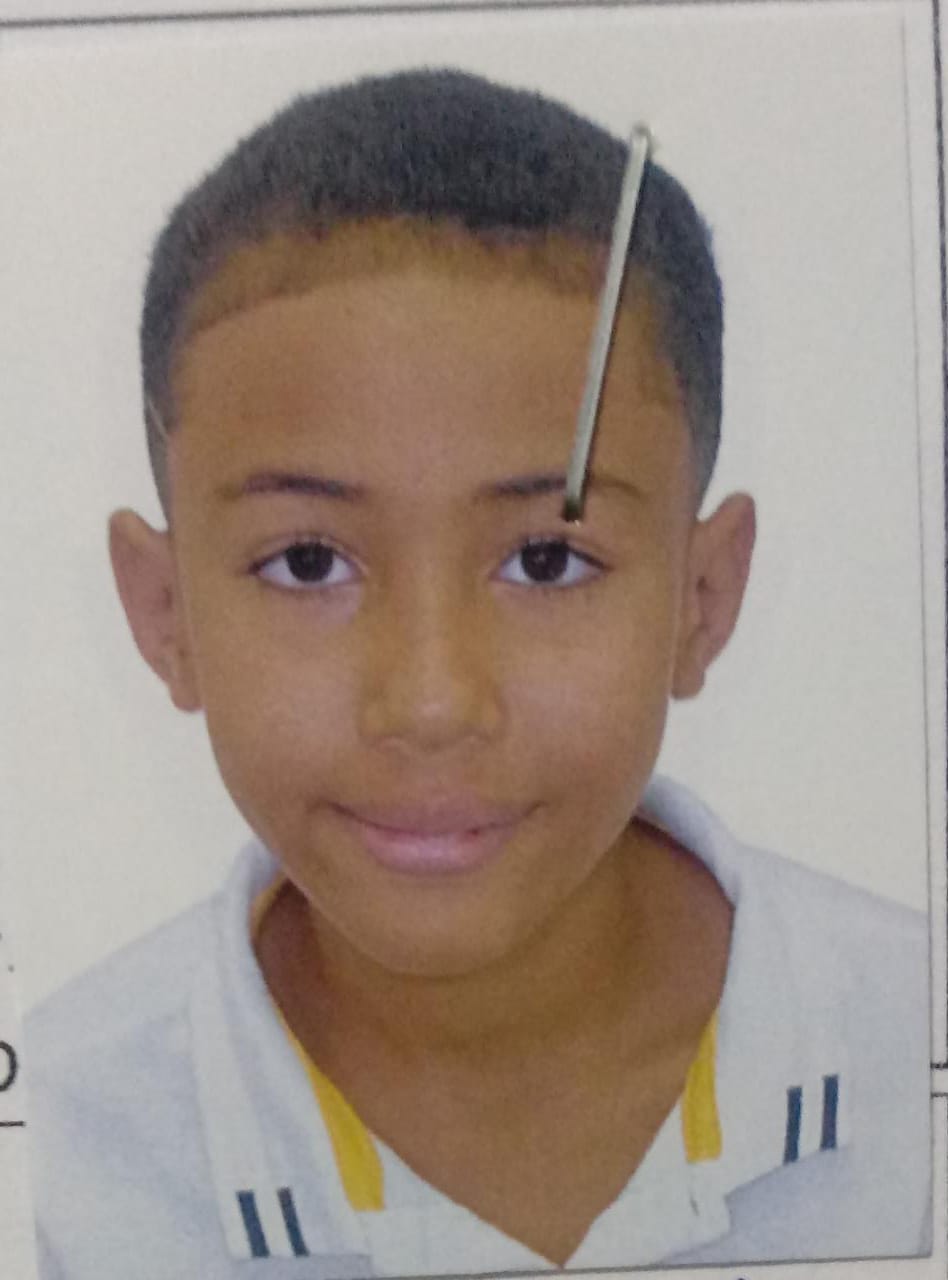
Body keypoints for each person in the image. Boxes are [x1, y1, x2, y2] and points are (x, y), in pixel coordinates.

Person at [26, 68, 930, 1278]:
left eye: (546, 561)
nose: (432, 701)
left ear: (702, 599)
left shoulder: (914, 1045)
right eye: (308, 562)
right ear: (163, 612)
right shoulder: (58, 1154)